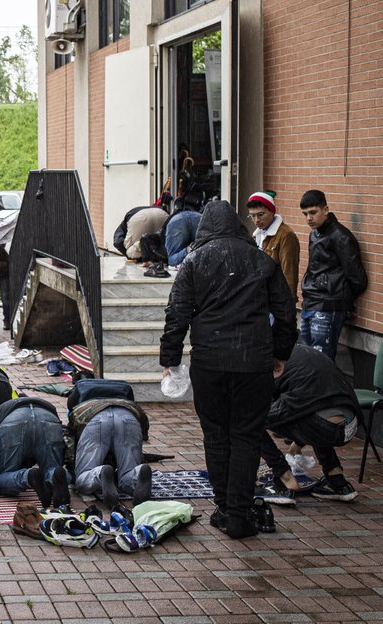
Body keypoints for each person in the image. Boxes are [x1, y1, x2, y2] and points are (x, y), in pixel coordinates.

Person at [160, 200, 297, 539]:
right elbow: (286, 311)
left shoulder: (194, 261)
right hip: (254, 363)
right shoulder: (261, 261)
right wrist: (280, 352)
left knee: (216, 434)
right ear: (236, 225)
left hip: (209, 363)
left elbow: (176, 314)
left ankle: (224, 507)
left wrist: (171, 361)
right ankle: (239, 512)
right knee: (247, 436)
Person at [258, 345, 362, 505]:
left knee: (249, 421)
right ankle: (337, 481)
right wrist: (298, 442)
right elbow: (310, 400)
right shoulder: (300, 352)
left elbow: (275, 410)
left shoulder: (267, 362)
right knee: (313, 414)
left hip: (326, 425)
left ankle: (285, 480)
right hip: (350, 425)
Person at [299, 189, 367, 360]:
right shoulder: (314, 234)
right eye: (305, 214)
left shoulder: (341, 236)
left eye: (313, 212)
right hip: (310, 302)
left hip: (329, 305)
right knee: (308, 360)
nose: (309, 218)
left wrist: (344, 301)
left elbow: (357, 278)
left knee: (321, 361)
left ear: (326, 210)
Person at [69, 397, 152, 506]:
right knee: (128, 471)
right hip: (129, 417)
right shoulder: (127, 400)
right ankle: (139, 472)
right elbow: (144, 435)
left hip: (94, 419)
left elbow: (69, 443)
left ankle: (100, 473)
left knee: (82, 478)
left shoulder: (81, 406)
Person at [0, 397, 70, 508]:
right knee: (53, 467)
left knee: (1, 477)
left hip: (13, 420)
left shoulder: (1, 409)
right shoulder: (41, 403)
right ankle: (54, 475)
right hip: (48, 418)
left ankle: (28, 476)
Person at [246, 190, 299, 302]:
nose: (256, 220)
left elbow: (289, 274)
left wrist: (287, 304)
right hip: (260, 298)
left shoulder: (286, 235)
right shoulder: (257, 235)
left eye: (260, 215)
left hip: (276, 301)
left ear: (272, 211)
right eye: (252, 216)